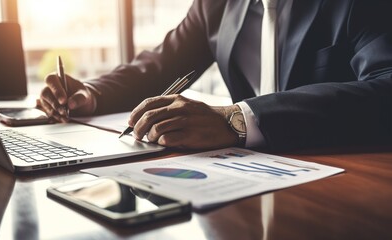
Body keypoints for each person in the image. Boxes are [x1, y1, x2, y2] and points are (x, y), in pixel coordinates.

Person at [39, 0, 392, 152]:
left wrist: (238, 119)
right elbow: (162, 65)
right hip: (250, 180)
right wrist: (90, 92)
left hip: (343, 178)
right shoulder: (217, 4)